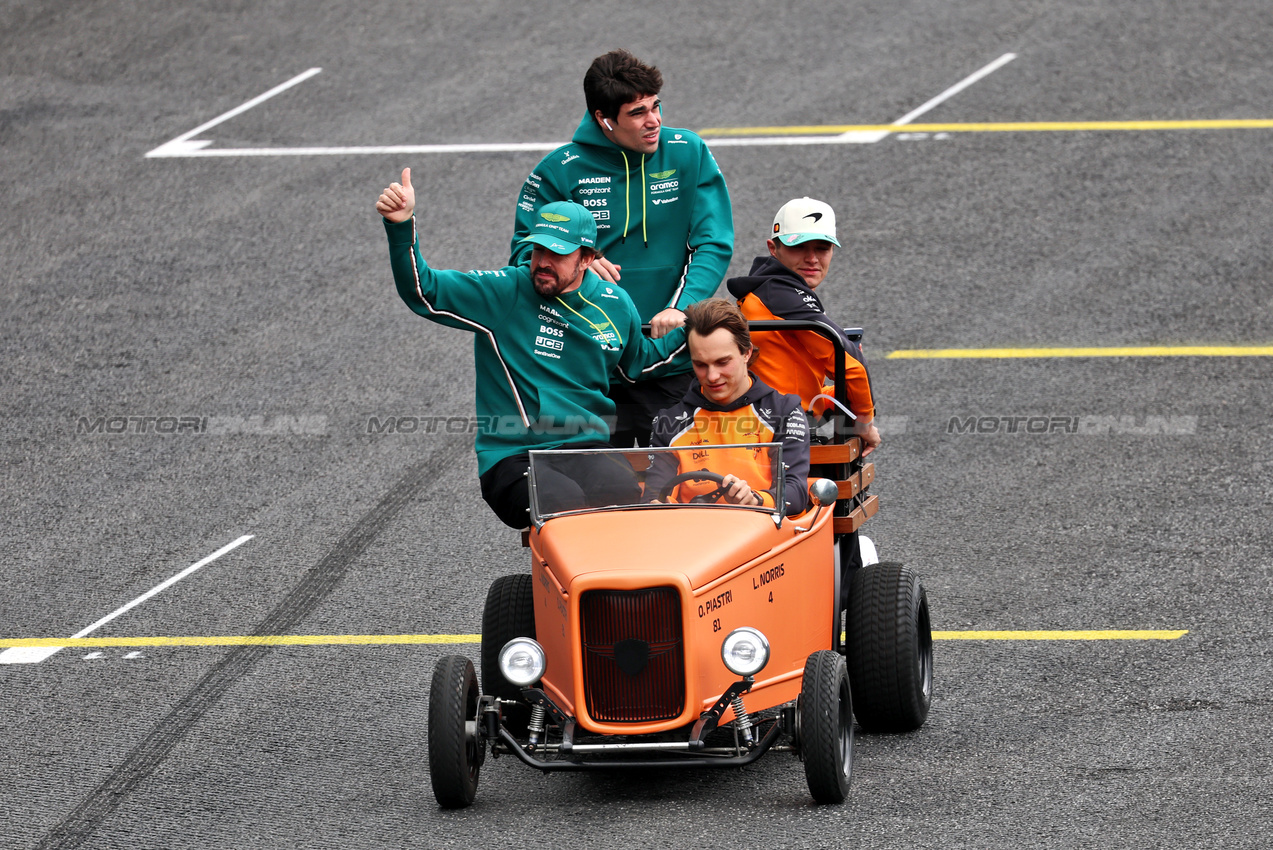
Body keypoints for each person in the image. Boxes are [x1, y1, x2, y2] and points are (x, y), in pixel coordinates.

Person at [377, 168, 684, 528]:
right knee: (562, 506)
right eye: (539, 250)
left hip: (586, 449)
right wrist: (401, 225)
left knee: (624, 498)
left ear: (587, 258)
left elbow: (638, 364)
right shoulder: (505, 291)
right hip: (514, 455)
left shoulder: (615, 303)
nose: (543, 263)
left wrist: (694, 332)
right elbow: (424, 292)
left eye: (558, 254)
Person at [510, 49, 734, 448]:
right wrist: (576, 262)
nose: (654, 121)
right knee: (591, 485)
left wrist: (680, 308)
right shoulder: (558, 171)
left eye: (656, 106)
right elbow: (523, 257)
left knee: (683, 480)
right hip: (586, 367)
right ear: (604, 119)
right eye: (637, 113)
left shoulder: (687, 151)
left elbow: (712, 243)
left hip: (665, 357)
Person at [726, 197, 881, 454]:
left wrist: (843, 400)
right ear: (773, 248)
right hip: (785, 431)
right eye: (798, 247)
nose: (812, 258)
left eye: (822, 248)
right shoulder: (782, 296)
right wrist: (865, 421)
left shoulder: (767, 289)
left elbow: (794, 378)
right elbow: (850, 365)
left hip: (766, 420)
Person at [645, 299, 810, 516]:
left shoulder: (784, 411)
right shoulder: (670, 421)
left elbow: (796, 493)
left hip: (763, 528)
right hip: (691, 530)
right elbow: (653, 497)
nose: (712, 376)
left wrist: (756, 500)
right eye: (700, 365)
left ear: (747, 353)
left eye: (722, 362)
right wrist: (654, 505)